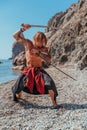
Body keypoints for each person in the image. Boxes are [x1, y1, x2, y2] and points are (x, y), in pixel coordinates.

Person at [12, 24, 58, 108]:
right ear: (34, 39)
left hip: (39, 70)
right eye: (39, 41)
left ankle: (54, 102)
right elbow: (15, 36)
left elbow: (49, 59)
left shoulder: (44, 49)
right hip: (28, 70)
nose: (41, 44)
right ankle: (19, 94)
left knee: (50, 84)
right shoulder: (28, 43)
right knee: (17, 86)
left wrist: (39, 52)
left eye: (42, 42)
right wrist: (23, 29)